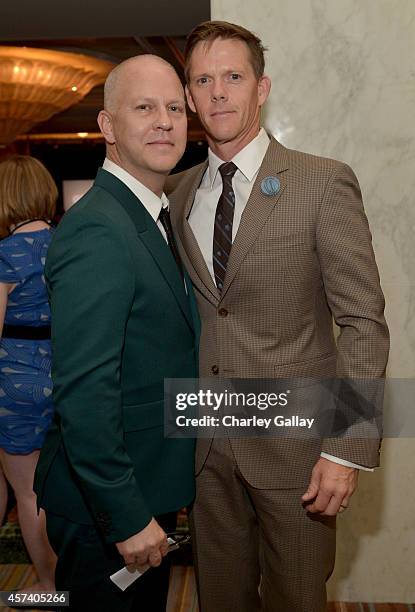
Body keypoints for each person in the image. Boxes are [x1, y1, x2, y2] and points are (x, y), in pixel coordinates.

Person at [166, 21, 389, 612]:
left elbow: (363, 322)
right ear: (189, 97)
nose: (218, 93)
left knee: (296, 598)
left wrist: (345, 448)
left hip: (298, 453)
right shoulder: (179, 192)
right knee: (220, 599)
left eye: (233, 77)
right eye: (203, 80)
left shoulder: (321, 182)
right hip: (208, 448)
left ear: (261, 89)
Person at [34, 55, 199, 612]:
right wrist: (127, 516)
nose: (165, 121)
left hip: (144, 490)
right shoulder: (100, 229)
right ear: (107, 127)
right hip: (108, 512)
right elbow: (84, 394)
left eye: (175, 107)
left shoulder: (149, 214)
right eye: (145, 107)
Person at [0, 155, 57, 593]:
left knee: (27, 493)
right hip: (61, 378)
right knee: (49, 486)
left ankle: (48, 583)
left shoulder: (5, 254)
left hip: (12, 387)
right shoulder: (67, 244)